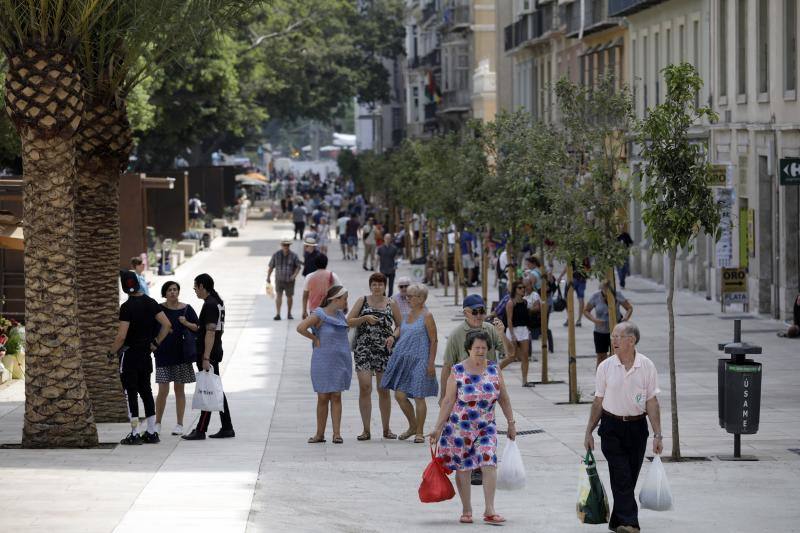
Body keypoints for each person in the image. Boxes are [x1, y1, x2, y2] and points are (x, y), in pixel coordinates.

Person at [429, 330, 516, 525]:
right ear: (468, 349)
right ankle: (467, 509)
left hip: (486, 426)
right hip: (460, 428)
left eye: (484, 348)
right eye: (476, 348)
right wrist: (437, 428)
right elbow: (448, 401)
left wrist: (511, 422)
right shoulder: (457, 371)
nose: (480, 351)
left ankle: (490, 509)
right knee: (464, 467)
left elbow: (504, 398)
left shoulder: (494, 369)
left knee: (489, 461)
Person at [584, 321, 662, 533]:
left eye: (618, 336)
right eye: (612, 336)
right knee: (622, 474)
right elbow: (598, 401)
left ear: (631, 340)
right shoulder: (605, 367)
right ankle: (631, 523)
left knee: (628, 476)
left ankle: (617, 520)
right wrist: (589, 431)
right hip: (611, 427)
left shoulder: (646, 366)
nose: (613, 340)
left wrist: (658, 434)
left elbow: (652, 402)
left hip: (637, 428)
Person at [108, 270, 172, 445]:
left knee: (131, 393)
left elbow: (121, 336)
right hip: (145, 354)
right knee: (146, 392)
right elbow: (167, 325)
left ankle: (135, 432)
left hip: (129, 356)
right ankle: (151, 432)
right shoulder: (151, 303)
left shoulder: (127, 308)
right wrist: (156, 343)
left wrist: (111, 352)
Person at [380, 283, 438, 443]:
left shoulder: (427, 316)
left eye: (410, 296)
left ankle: (419, 432)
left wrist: (431, 363)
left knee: (419, 396)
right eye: (406, 296)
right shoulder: (407, 314)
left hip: (420, 360)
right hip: (403, 359)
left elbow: (434, 340)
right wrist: (393, 336)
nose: (407, 298)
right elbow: (401, 328)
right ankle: (413, 425)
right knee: (399, 395)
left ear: (421, 299)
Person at [347, 273, 402, 441]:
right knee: (365, 387)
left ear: (385, 286)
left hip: (384, 349)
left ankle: (386, 428)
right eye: (374, 284)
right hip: (363, 348)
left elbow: (400, 325)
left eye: (380, 284)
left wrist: (393, 336)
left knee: (383, 389)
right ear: (370, 285)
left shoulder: (391, 303)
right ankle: (366, 429)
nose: (377, 287)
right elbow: (349, 320)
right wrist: (364, 318)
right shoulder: (362, 300)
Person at [296, 285, 352, 444]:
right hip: (323, 360)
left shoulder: (341, 315)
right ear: (335, 299)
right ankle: (319, 434)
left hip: (340, 360)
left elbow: (348, 326)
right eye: (344, 299)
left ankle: (337, 434)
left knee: (336, 395)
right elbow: (300, 328)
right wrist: (314, 339)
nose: (346, 302)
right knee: (322, 397)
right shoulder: (319, 314)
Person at [183, 274, 235, 440]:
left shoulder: (211, 304)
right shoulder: (216, 301)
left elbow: (211, 332)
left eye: (195, 287)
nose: (195, 291)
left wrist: (206, 357)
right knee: (215, 389)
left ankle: (201, 430)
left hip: (208, 353)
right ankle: (227, 427)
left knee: (208, 388)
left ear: (202, 286)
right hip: (213, 350)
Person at [152, 281, 198, 436]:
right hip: (163, 354)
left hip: (182, 355)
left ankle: (179, 424)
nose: (173, 292)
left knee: (179, 389)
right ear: (164, 293)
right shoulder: (159, 309)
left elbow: (198, 328)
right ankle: (157, 423)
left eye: (175, 290)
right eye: (169, 290)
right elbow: (152, 328)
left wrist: (186, 323)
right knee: (163, 390)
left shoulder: (187, 309)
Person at [584, 281, 634, 366]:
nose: (606, 290)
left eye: (608, 287)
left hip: (616, 331)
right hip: (600, 331)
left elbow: (629, 308)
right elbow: (586, 311)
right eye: (604, 288)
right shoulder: (596, 296)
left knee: (616, 355)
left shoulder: (617, 294)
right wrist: (595, 320)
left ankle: (616, 376)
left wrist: (625, 318)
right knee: (601, 356)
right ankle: (600, 377)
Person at [498, 281, 532, 386]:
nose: (523, 289)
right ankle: (494, 372)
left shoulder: (525, 302)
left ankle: (525, 380)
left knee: (525, 356)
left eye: (523, 288)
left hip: (523, 330)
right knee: (512, 356)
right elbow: (509, 320)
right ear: (515, 290)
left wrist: (528, 330)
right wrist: (512, 335)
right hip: (513, 330)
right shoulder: (510, 303)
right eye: (520, 288)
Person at [267, 238, 302, 320]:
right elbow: (271, 267)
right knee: (279, 296)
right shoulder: (276, 255)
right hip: (279, 279)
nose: (286, 247)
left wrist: (294, 275)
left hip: (289, 280)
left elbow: (298, 266)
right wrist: (268, 277)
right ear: (281, 245)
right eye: (284, 245)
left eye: (287, 245)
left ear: (289, 246)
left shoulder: (294, 255)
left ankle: (289, 313)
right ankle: (278, 314)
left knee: (289, 296)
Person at [302, 254, 341, 319]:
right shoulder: (333, 276)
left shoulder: (309, 277)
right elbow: (341, 292)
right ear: (326, 263)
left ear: (315, 264)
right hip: (329, 310)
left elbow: (305, 296)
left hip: (314, 310)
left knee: (316, 328)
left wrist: (304, 311)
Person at [560, 258, 591, 327]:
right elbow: (588, 269)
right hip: (581, 280)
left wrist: (560, 276)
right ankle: (578, 320)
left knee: (567, 298)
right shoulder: (584, 256)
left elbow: (567, 266)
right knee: (580, 299)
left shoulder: (571, 254)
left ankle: (570, 318)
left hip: (573, 278)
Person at [377, 232, 400, 296]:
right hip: (383, 269)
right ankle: (383, 296)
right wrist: (375, 267)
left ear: (391, 239)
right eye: (386, 238)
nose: (387, 239)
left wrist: (396, 266)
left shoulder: (394, 248)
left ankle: (390, 297)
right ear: (384, 239)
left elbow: (396, 258)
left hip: (391, 269)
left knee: (391, 285)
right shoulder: (380, 248)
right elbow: (378, 258)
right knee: (383, 284)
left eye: (389, 238)